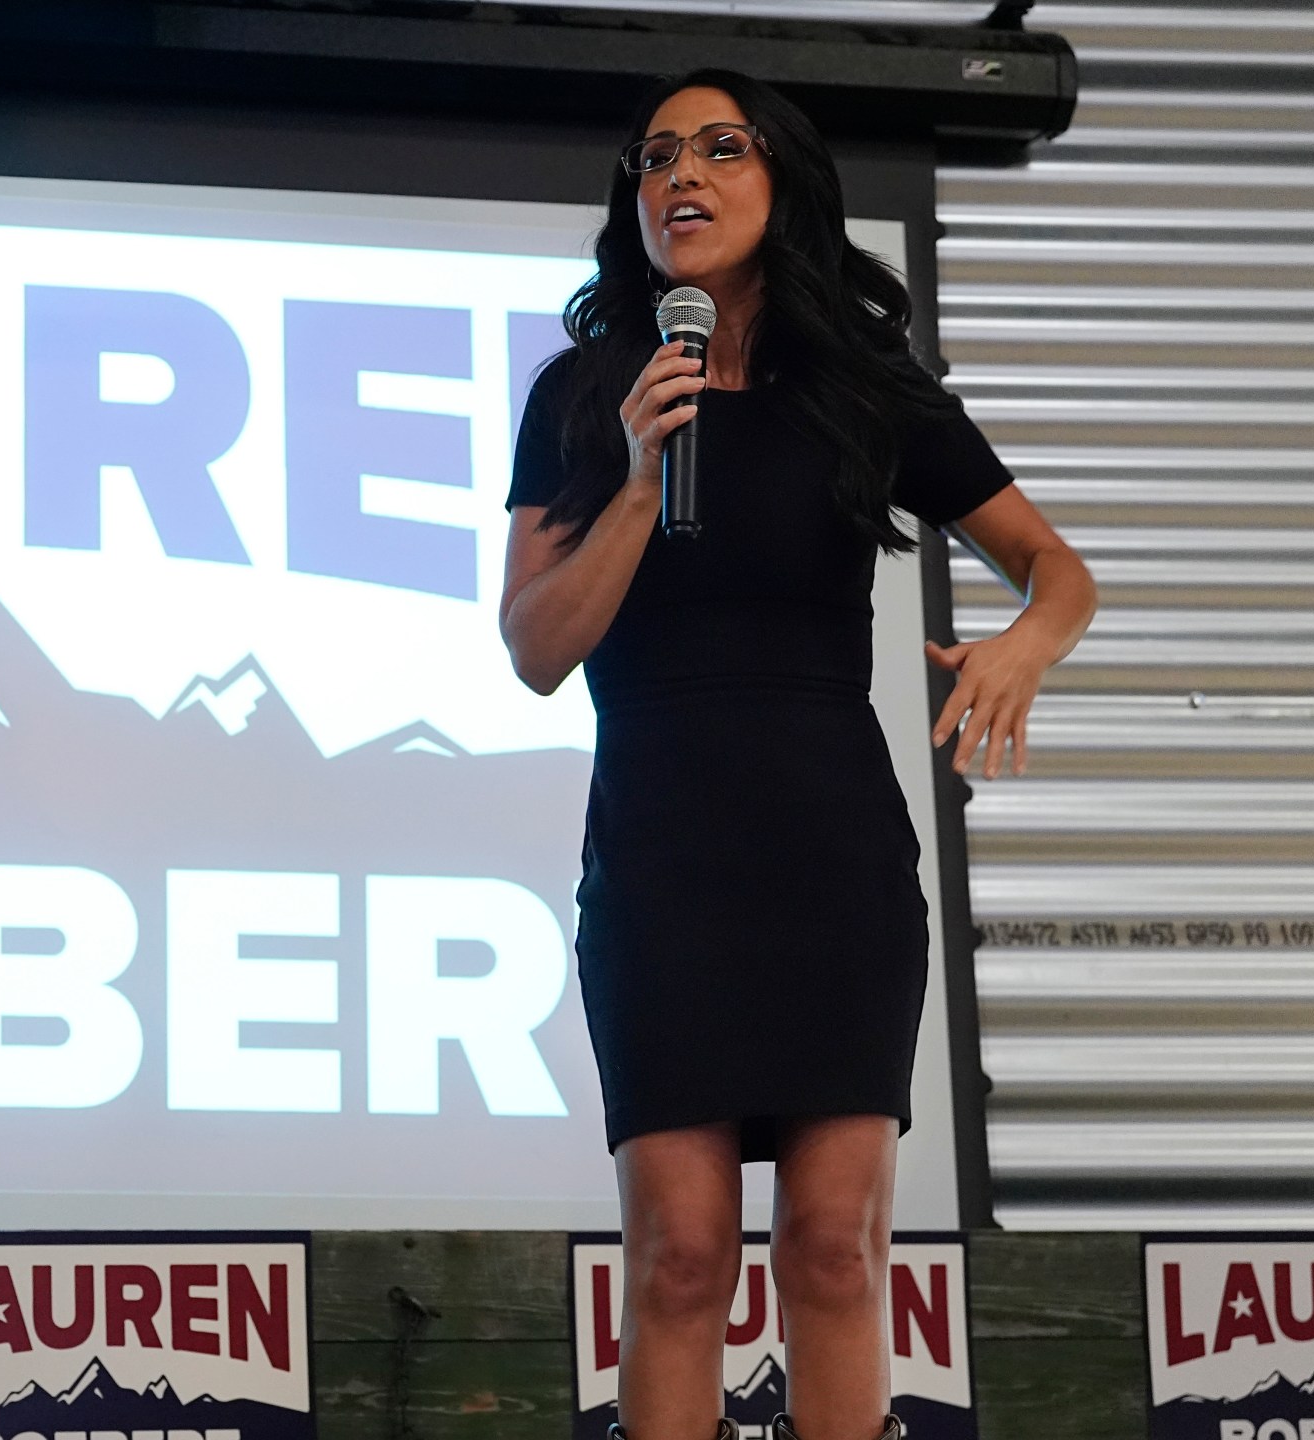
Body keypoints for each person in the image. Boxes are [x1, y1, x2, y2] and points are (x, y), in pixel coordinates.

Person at [500, 69, 1096, 1440]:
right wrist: (643, 487)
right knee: (683, 1257)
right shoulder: (590, 396)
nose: (680, 178)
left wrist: (1024, 646)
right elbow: (537, 647)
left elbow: (1057, 571)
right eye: (654, 158)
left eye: (720, 149)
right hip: (662, 864)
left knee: (833, 1251)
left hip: (830, 860)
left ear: (786, 185)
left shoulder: (864, 392)